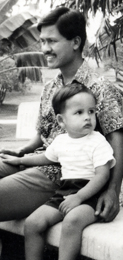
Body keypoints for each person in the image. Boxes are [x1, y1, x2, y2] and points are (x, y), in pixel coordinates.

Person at [0, 6, 123, 222]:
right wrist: (23, 151)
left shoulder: (100, 88)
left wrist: (113, 190)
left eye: (52, 41)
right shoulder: (51, 87)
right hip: (36, 160)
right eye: (42, 41)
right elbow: (43, 133)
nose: (45, 48)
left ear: (75, 42)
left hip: (63, 176)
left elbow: (117, 141)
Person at [1, 83, 116, 260]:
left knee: (72, 221)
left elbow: (103, 175)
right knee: (33, 223)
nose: (88, 117)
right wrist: (20, 160)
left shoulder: (97, 141)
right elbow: (45, 158)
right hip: (64, 191)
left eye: (91, 111)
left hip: (91, 194)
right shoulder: (61, 140)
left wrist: (79, 197)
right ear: (61, 121)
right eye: (79, 112)